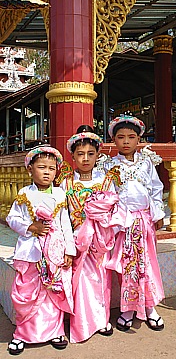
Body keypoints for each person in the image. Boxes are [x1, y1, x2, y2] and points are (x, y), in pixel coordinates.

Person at [6, 145, 76, 355]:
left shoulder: (60, 193)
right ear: (30, 170)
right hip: (30, 253)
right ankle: (22, 334)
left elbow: (65, 224)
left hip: (55, 252)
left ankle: (54, 331)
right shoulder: (24, 193)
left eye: (52, 168)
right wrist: (30, 227)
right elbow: (12, 218)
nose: (47, 172)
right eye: (42, 167)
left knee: (52, 292)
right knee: (26, 292)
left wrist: (69, 250)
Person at [58, 125, 120, 343]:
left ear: (97, 155)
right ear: (72, 155)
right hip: (76, 240)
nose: (85, 158)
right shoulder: (65, 183)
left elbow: (114, 210)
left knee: (102, 279)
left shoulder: (105, 181)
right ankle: (81, 323)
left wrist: (101, 222)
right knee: (80, 281)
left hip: (100, 240)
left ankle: (102, 320)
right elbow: (62, 214)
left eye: (90, 154)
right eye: (80, 154)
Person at [104, 114, 165, 332]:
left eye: (131, 137)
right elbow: (108, 195)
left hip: (144, 222)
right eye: (121, 137)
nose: (126, 141)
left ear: (139, 139)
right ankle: (128, 308)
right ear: (114, 140)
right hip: (123, 225)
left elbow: (156, 189)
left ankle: (150, 307)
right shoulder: (109, 166)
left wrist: (157, 214)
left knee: (146, 265)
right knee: (127, 267)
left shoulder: (147, 163)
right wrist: (117, 220)